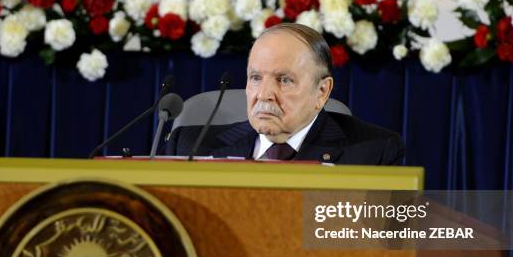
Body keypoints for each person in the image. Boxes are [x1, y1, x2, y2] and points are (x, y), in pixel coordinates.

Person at [165, 23, 405, 165]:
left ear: (322, 92)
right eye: (256, 78)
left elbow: (385, 244)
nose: (264, 94)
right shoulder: (190, 146)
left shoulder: (374, 152)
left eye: (284, 80)